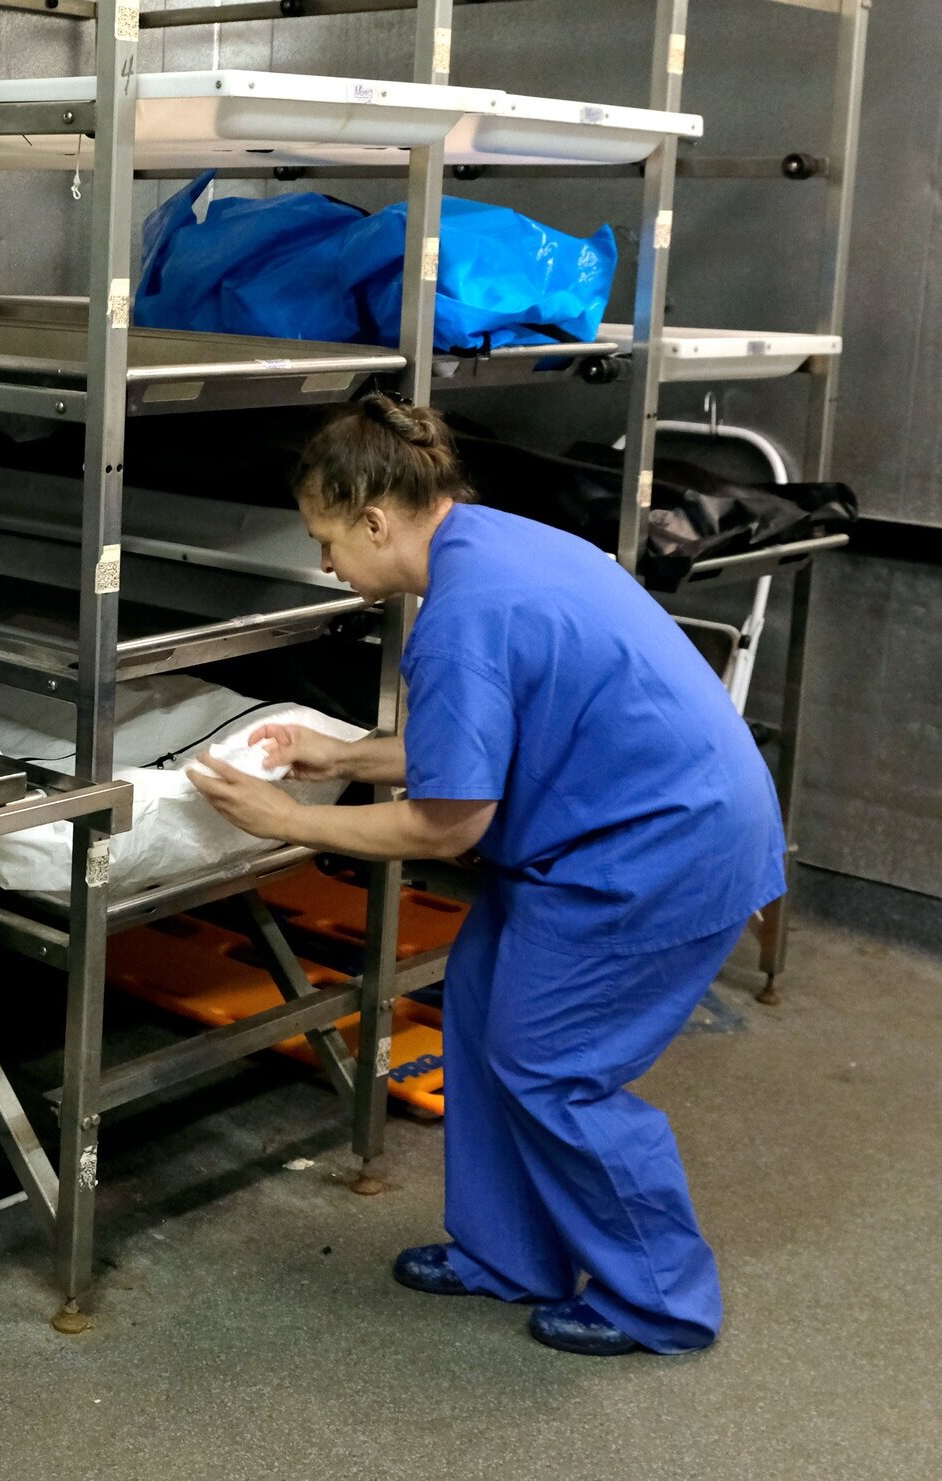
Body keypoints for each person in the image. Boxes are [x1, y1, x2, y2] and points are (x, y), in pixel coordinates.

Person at [187, 393, 784, 1356]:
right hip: (618, 820)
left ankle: (661, 1300)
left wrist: (287, 821)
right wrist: (337, 753)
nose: (326, 565)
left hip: (661, 848)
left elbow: (450, 820)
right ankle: (510, 1253)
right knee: (479, 999)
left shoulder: (463, 615)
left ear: (376, 519)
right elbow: (468, 744)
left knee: (554, 1064)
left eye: (328, 541)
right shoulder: (484, 541)